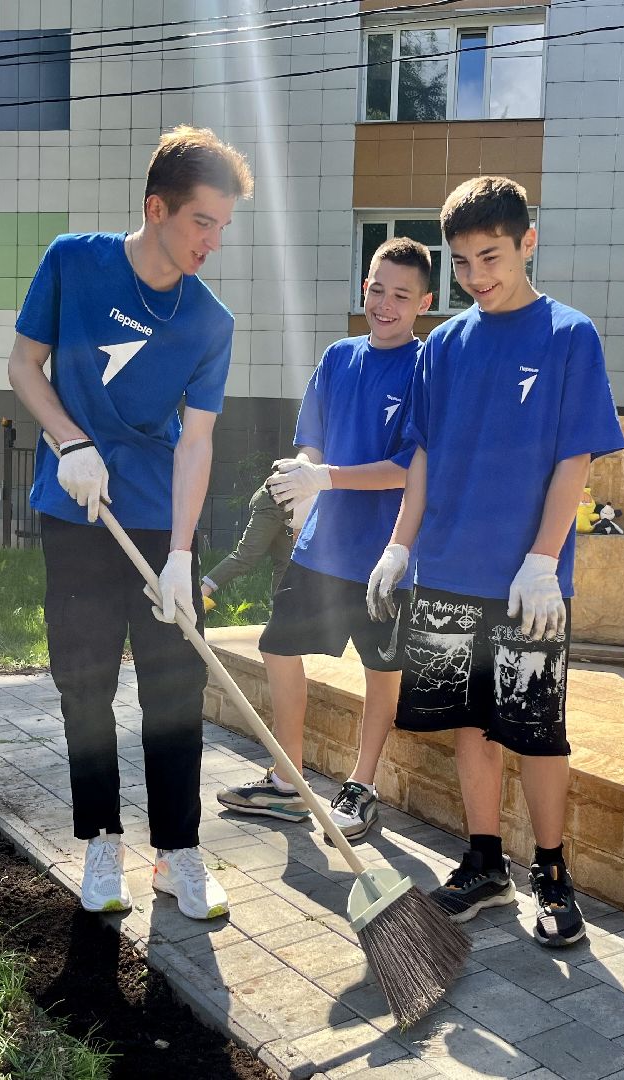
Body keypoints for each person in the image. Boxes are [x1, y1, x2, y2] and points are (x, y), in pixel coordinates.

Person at [366, 176, 624, 947]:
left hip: (528, 586)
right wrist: (399, 544)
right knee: (470, 727)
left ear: (527, 242)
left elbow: (574, 455)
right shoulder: (441, 344)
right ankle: (483, 862)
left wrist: (543, 559)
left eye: (491, 256)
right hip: (445, 572)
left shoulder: (569, 335)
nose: (476, 276)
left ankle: (551, 871)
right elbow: (421, 457)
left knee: (537, 732)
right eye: (463, 262)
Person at [7, 126, 253, 920]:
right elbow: (23, 364)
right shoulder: (73, 262)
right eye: (202, 223)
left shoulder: (210, 322)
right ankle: (103, 840)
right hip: (75, 510)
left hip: (155, 522)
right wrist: (67, 439)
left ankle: (177, 852)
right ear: (158, 207)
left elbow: (200, 439)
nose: (213, 241)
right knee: (84, 683)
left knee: (174, 690)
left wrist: (182, 555)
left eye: (222, 226)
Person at [216, 237, 434, 840]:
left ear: (424, 302)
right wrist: (302, 476)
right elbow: (311, 438)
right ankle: (288, 780)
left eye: (401, 295)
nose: (385, 304)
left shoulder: (426, 367)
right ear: (363, 286)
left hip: (387, 556)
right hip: (322, 544)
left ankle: (362, 787)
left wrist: (327, 475)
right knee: (277, 645)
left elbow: (408, 468)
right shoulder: (339, 357)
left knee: (380, 668)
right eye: (376, 289)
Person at [200, 483, 310, 609]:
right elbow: (301, 523)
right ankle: (200, 597)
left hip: (278, 503)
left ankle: (279, 612)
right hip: (273, 504)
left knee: (285, 561)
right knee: (246, 556)